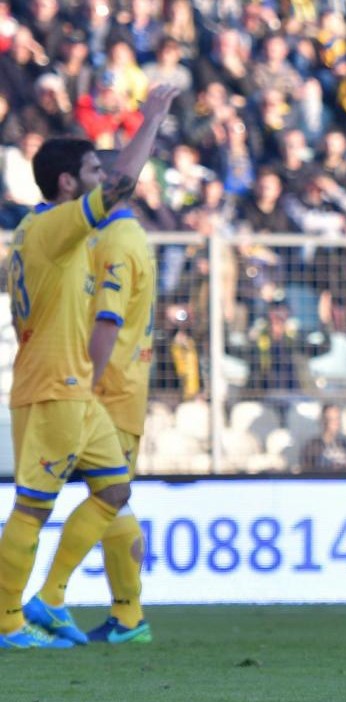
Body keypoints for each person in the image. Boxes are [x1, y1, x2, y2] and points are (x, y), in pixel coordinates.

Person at [1, 85, 179, 649]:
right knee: (33, 506)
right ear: (67, 185)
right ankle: (8, 622)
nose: (101, 177)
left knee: (113, 491)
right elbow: (124, 181)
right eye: (90, 170)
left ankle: (50, 600)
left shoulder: (44, 233)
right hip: (56, 385)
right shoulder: (55, 231)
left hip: (71, 385)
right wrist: (150, 118)